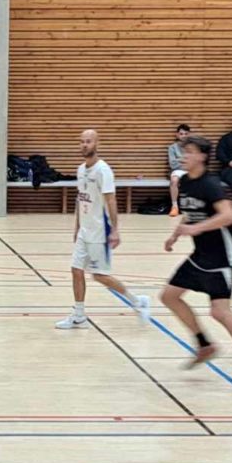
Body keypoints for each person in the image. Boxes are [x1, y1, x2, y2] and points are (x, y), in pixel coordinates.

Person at [159, 137, 232, 395]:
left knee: (220, 311)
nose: (184, 156)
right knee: (169, 296)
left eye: (189, 152)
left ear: (202, 156)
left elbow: (228, 215)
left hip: (221, 257)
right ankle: (204, 344)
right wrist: (176, 234)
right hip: (201, 254)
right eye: (183, 152)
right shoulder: (186, 182)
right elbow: (192, 212)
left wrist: (195, 228)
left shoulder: (211, 183)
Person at [56, 129, 149, 328]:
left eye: (88, 141)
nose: (84, 145)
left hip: (99, 232)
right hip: (84, 231)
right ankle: (79, 315)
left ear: (96, 144)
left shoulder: (103, 170)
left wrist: (115, 230)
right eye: (82, 141)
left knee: (99, 275)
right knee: (76, 270)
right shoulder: (81, 169)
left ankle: (137, 301)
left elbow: (111, 200)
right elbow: (80, 200)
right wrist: (77, 227)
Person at [168, 123, 192, 217]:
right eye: (181, 134)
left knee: (197, 180)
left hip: (190, 170)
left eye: (186, 134)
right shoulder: (172, 148)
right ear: (177, 135)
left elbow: (195, 163)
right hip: (178, 170)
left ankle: (191, 206)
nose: (184, 136)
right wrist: (185, 161)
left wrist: (179, 159)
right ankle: (174, 206)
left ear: (189, 135)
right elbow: (173, 164)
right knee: (174, 181)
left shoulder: (193, 147)